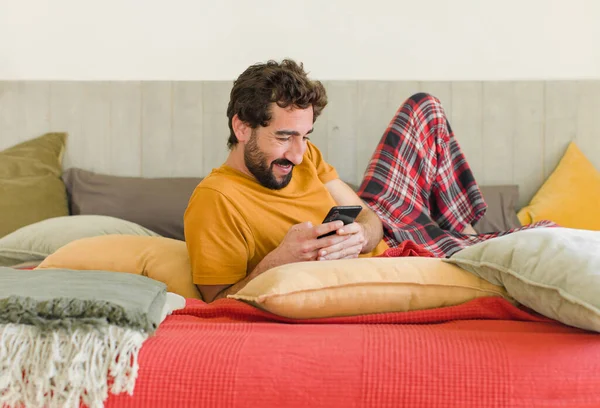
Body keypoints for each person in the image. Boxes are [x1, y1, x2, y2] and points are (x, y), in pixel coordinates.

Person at [184, 59, 553, 303]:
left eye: (305, 136)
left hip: (390, 224)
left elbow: (370, 216)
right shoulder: (215, 200)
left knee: (424, 107)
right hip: (398, 255)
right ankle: (460, 246)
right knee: (545, 237)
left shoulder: (304, 156)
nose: (298, 155)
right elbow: (218, 306)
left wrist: (362, 235)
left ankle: (458, 236)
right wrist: (280, 260)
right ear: (242, 126)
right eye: (284, 137)